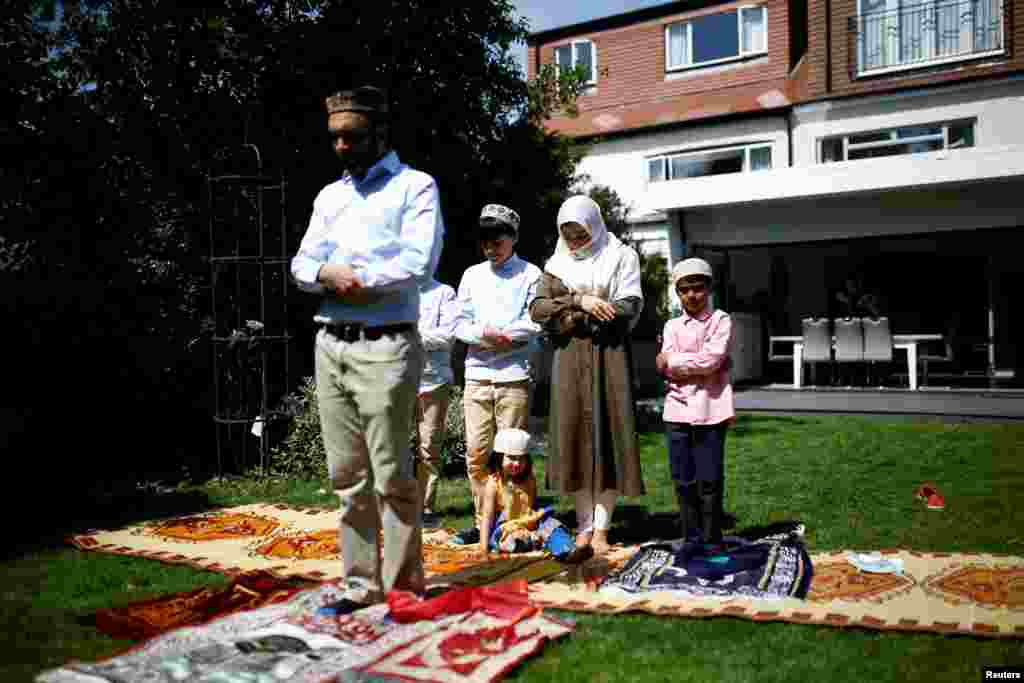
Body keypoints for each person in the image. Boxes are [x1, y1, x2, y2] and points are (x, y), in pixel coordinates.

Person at [290, 85, 444, 609]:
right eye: (334, 138)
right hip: (330, 346)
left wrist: (356, 279)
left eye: (351, 137)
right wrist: (325, 273)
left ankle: (403, 589)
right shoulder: (330, 196)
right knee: (347, 478)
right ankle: (359, 584)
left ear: (380, 132)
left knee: (392, 476)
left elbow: (418, 262)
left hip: (386, 347)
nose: (340, 147)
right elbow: (301, 264)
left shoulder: (415, 187)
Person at [529, 195, 645, 555]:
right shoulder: (556, 263)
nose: (575, 241)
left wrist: (569, 320)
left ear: (594, 226)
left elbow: (628, 307)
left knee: (608, 436)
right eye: (568, 234)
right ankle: (583, 526)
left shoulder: (621, 257)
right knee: (575, 438)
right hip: (569, 361)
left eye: (580, 233)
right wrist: (582, 302)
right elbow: (537, 309)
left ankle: (601, 530)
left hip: (609, 355)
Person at [451, 204, 542, 545]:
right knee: (477, 452)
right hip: (477, 373)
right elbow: (459, 322)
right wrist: (483, 335)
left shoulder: (530, 274)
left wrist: (508, 335)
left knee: (512, 454)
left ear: (513, 238)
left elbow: (535, 320)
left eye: (497, 239)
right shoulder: (472, 275)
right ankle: (483, 521)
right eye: (485, 240)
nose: (490, 246)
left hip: (513, 374)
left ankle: (517, 524)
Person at [656, 257, 735, 545]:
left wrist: (674, 361)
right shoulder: (671, 326)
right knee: (683, 480)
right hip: (676, 411)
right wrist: (685, 364)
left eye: (698, 288)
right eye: (684, 289)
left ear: (709, 288)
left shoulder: (720, 320)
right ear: (677, 292)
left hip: (711, 409)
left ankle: (712, 539)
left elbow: (712, 360)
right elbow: (665, 366)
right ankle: (691, 538)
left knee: (709, 480)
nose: (691, 295)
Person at [478, 428, 592, 563]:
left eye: (521, 459)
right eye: (511, 458)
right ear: (499, 457)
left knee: (552, 527)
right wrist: (483, 549)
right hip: (507, 528)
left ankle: (567, 550)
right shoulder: (493, 484)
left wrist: (539, 520)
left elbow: (531, 505)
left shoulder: (529, 479)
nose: (517, 464)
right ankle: (536, 544)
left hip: (530, 520)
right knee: (514, 541)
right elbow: (487, 517)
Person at [415, 277, 459, 530]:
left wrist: (411, 335)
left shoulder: (444, 292)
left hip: (434, 381)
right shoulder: (395, 289)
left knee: (429, 446)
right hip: (397, 378)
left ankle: (425, 508)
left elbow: (447, 336)